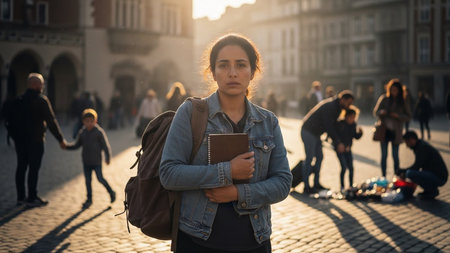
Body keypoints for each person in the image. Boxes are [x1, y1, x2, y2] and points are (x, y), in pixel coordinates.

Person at [160, 34, 292, 252]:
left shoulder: (268, 122)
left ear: (252, 72)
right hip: (196, 240)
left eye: (241, 65)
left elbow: (282, 183)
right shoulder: (190, 113)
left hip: (255, 242)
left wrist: (238, 194)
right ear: (212, 72)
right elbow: (169, 174)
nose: (232, 73)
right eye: (223, 65)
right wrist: (227, 171)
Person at [7, 73, 67, 207]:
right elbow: (51, 121)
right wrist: (60, 139)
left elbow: (9, 120)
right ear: (36, 85)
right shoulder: (41, 100)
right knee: (33, 168)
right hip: (36, 140)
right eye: (41, 83)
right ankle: (32, 197)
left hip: (20, 141)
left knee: (21, 167)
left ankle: (20, 197)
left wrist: (14, 137)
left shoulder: (18, 100)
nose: (43, 86)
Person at [301, 90, 354, 193]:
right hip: (308, 131)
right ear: (343, 99)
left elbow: (332, 126)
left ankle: (316, 183)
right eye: (349, 103)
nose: (349, 106)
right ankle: (306, 186)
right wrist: (338, 142)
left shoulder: (337, 107)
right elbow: (329, 126)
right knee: (310, 158)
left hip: (316, 134)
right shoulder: (331, 107)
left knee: (320, 157)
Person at [65, 108, 115, 208]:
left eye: (91, 121)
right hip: (86, 162)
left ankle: (111, 192)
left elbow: (105, 146)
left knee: (100, 179)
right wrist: (66, 146)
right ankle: (89, 199)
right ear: (83, 122)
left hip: (96, 162)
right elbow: (77, 145)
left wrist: (108, 157)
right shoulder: (82, 133)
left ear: (95, 121)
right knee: (88, 181)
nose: (89, 123)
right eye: (87, 121)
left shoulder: (99, 132)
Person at [373, 79, 411, 178]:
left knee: (395, 156)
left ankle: (396, 177)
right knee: (384, 156)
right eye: (392, 89)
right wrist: (381, 112)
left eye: (396, 90)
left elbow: (408, 116)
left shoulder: (403, 101)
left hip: (396, 132)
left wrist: (398, 116)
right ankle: (383, 177)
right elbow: (375, 112)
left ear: (399, 91)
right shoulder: (384, 98)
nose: (394, 92)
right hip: (384, 131)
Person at [396, 131, 448, 200]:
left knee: (410, 173)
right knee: (411, 173)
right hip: (437, 175)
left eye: (407, 142)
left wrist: (403, 172)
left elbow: (416, 167)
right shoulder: (420, 145)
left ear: (412, 139)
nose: (407, 146)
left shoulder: (421, 148)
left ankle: (431, 190)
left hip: (439, 177)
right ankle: (430, 190)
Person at [335, 108, 363, 191]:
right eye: (351, 117)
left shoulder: (353, 124)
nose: (352, 119)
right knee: (343, 167)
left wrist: (360, 133)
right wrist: (340, 145)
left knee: (351, 168)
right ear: (346, 116)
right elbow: (336, 136)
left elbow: (355, 136)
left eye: (354, 117)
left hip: (348, 150)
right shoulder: (340, 124)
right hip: (340, 150)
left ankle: (351, 185)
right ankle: (342, 186)